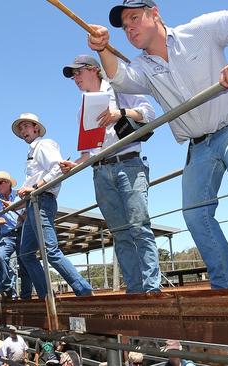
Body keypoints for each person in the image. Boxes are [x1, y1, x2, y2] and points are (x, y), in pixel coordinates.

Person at [86, 1, 228, 297]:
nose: (130, 29)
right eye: (125, 27)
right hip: (198, 144)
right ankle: (224, 284)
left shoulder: (200, 30)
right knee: (194, 213)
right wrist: (103, 49)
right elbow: (121, 79)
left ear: (155, 13)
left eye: (135, 18)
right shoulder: (143, 67)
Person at [59, 54, 160, 293]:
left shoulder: (120, 89)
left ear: (94, 69)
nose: (76, 78)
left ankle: (152, 286)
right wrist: (74, 165)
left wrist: (120, 113)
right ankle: (135, 289)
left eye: (78, 72)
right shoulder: (81, 111)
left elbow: (149, 112)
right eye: (73, 75)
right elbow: (88, 153)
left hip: (129, 164)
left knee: (139, 226)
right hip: (101, 171)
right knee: (120, 232)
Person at [13, 112, 93, 298]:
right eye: (21, 128)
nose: (23, 130)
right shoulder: (33, 150)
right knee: (25, 254)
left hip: (41, 201)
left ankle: (83, 290)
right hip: (34, 203)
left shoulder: (44, 145)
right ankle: (46, 294)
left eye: (26, 126)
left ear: (36, 128)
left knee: (50, 250)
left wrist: (33, 187)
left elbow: (58, 168)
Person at [0, 171, 32, 302]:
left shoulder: (19, 195)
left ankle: (25, 295)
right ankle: (5, 290)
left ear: (8, 183)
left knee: (23, 262)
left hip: (22, 231)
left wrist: (22, 214)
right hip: (5, 234)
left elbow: (30, 208)